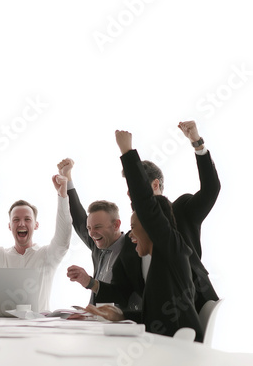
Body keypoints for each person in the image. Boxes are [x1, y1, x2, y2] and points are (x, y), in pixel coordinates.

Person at [77, 130, 203, 342]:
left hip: (179, 351)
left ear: (152, 228)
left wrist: (127, 151)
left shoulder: (173, 251)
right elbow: (153, 316)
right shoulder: (158, 263)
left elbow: (146, 206)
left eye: (134, 227)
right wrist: (122, 314)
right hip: (162, 344)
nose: (131, 236)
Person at [136, 121, 220, 312]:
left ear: (155, 185)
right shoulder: (137, 227)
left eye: (137, 188)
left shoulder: (181, 210)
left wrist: (197, 144)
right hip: (156, 312)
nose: (130, 194)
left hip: (192, 302)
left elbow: (210, 189)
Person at [0, 174, 72, 312]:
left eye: (27, 219)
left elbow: (63, 240)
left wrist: (62, 196)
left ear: (36, 225)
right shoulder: (0, 256)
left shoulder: (46, 256)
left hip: (39, 327)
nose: (21, 223)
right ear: (9, 226)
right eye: (16, 220)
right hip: (6, 328)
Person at [58, 159, 144, 311]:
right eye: (89, 227)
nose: (91, 233)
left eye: (97, 227)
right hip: (96, 319)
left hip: (123, 323)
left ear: (116, 225)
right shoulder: (98, 244)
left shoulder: (134, 245)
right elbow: (78, 218)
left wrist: (89, 282)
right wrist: (67, 178)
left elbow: (125, 293)